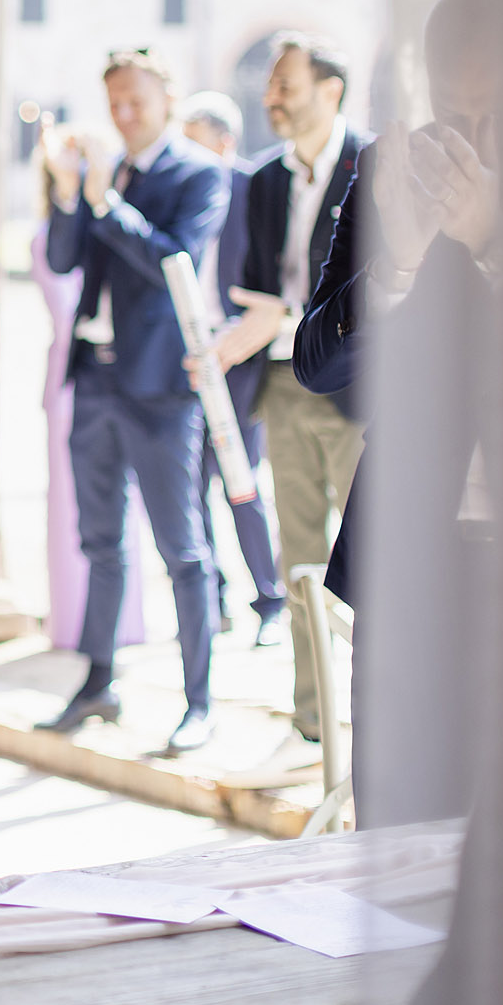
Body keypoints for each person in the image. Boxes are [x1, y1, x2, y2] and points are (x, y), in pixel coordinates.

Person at [38, 48, 228, 756]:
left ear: (167, 99)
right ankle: (98, 681)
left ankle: (199, 700)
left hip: (160, 388)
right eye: (113, 100)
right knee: (100, 542)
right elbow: (63, 260)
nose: (122, 113)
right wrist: (67, 192)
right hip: (95, 380)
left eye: (135, 101)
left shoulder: (199, 172)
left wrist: (103, 204)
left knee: (183, 550)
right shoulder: (104, 173)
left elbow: (172, 258)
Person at [298, 0, 503, 611]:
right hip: (402, 551)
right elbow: (315, 364)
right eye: (455, 110)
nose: (473, 139)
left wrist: (494, 241)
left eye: (496, 113)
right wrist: (397, 266)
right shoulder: (393, 170)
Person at [199, 38, 371, 743]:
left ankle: (376, 712)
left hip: (358, 393)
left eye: (286, 87)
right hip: (279, 384)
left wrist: (285, 318)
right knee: (299, 558)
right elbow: (256, 287)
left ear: (330, 90)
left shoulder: (376, 165)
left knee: (372, 564)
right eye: (270, 87)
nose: (271, 99)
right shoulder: (263, 179)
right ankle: (314, 715)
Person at [30, 129, 149, 652]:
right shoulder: (52, 233)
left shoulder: (100, 221)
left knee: (119, 510)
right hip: (74, 375)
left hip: (110, 374)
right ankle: (76, 623)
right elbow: (65, 294)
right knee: (75, 509)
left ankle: (120, 624)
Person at [177, 91, 281, 643]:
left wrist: (235, 345)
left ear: (225, 143)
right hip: (189, 356)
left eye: (195, 145)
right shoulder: (181, 190)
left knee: (240, 478)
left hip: (241, 353)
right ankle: (212, 599)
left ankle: (269, 598)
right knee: (190, 481)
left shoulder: (254, 190)